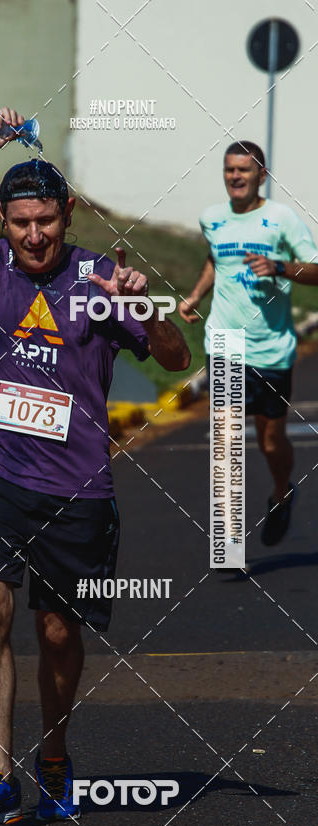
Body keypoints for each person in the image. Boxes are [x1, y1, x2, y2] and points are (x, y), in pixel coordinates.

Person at [0, 107, 191, 826]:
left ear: (67, 213)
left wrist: (143, 306)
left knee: (58, 630)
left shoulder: (100, 278)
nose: (33, 235)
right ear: (3, 217)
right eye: (20, 222)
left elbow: (179, 361)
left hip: (77, 489)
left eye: (46, 221)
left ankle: (54, 752)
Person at [179, 140, 318, 546]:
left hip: (271, 346)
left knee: (270, 440)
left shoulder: (282, 220)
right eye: (229, 170)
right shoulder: (212, 219)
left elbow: (315, 269)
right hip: (225, 340)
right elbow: (216, 259)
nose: (235, 176)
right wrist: (196, 295)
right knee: (226, 438)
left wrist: (279, 266)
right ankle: (229, 536)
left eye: (243, 170)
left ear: (262, 175)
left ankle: (281, 491)